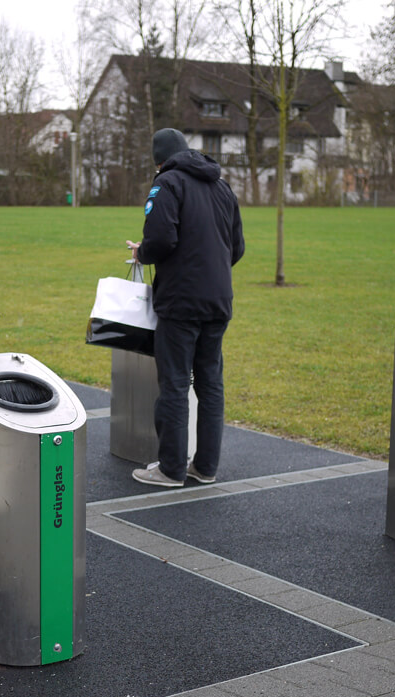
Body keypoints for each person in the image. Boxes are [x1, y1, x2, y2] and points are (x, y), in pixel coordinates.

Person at [127, 128, 245, 487]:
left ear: (158, 159)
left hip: (180, 301)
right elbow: (236, 248)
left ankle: (171, 468)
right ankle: (205, 467)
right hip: (219, 299)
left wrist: (140, 252)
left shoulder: (167, 184)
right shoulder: (222, 187)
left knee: (176, 384)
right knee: (210, 384)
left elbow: (161, 238)